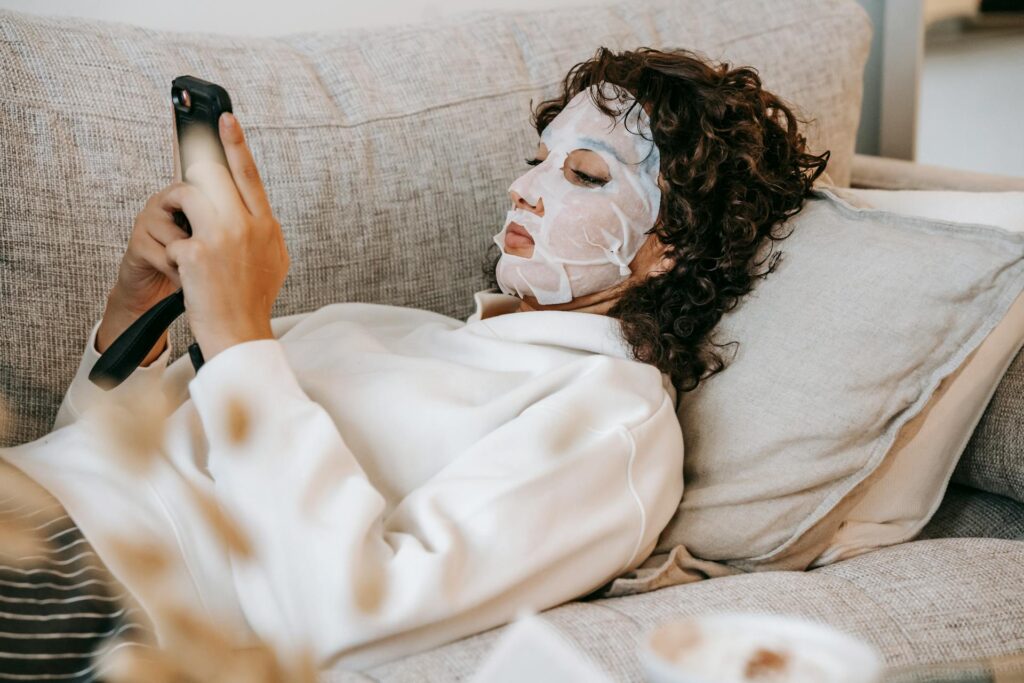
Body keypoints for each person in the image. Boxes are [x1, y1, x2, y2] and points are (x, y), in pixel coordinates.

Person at [0, 46, 829, 679]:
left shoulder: (611, 418)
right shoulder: (376, 327)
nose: (524, 187)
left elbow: (348, 615)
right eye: (540, 157)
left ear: (668, 249)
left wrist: (239, 334)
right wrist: (136, 312)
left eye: (581, 173)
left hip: (95, 592)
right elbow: (101, 456)